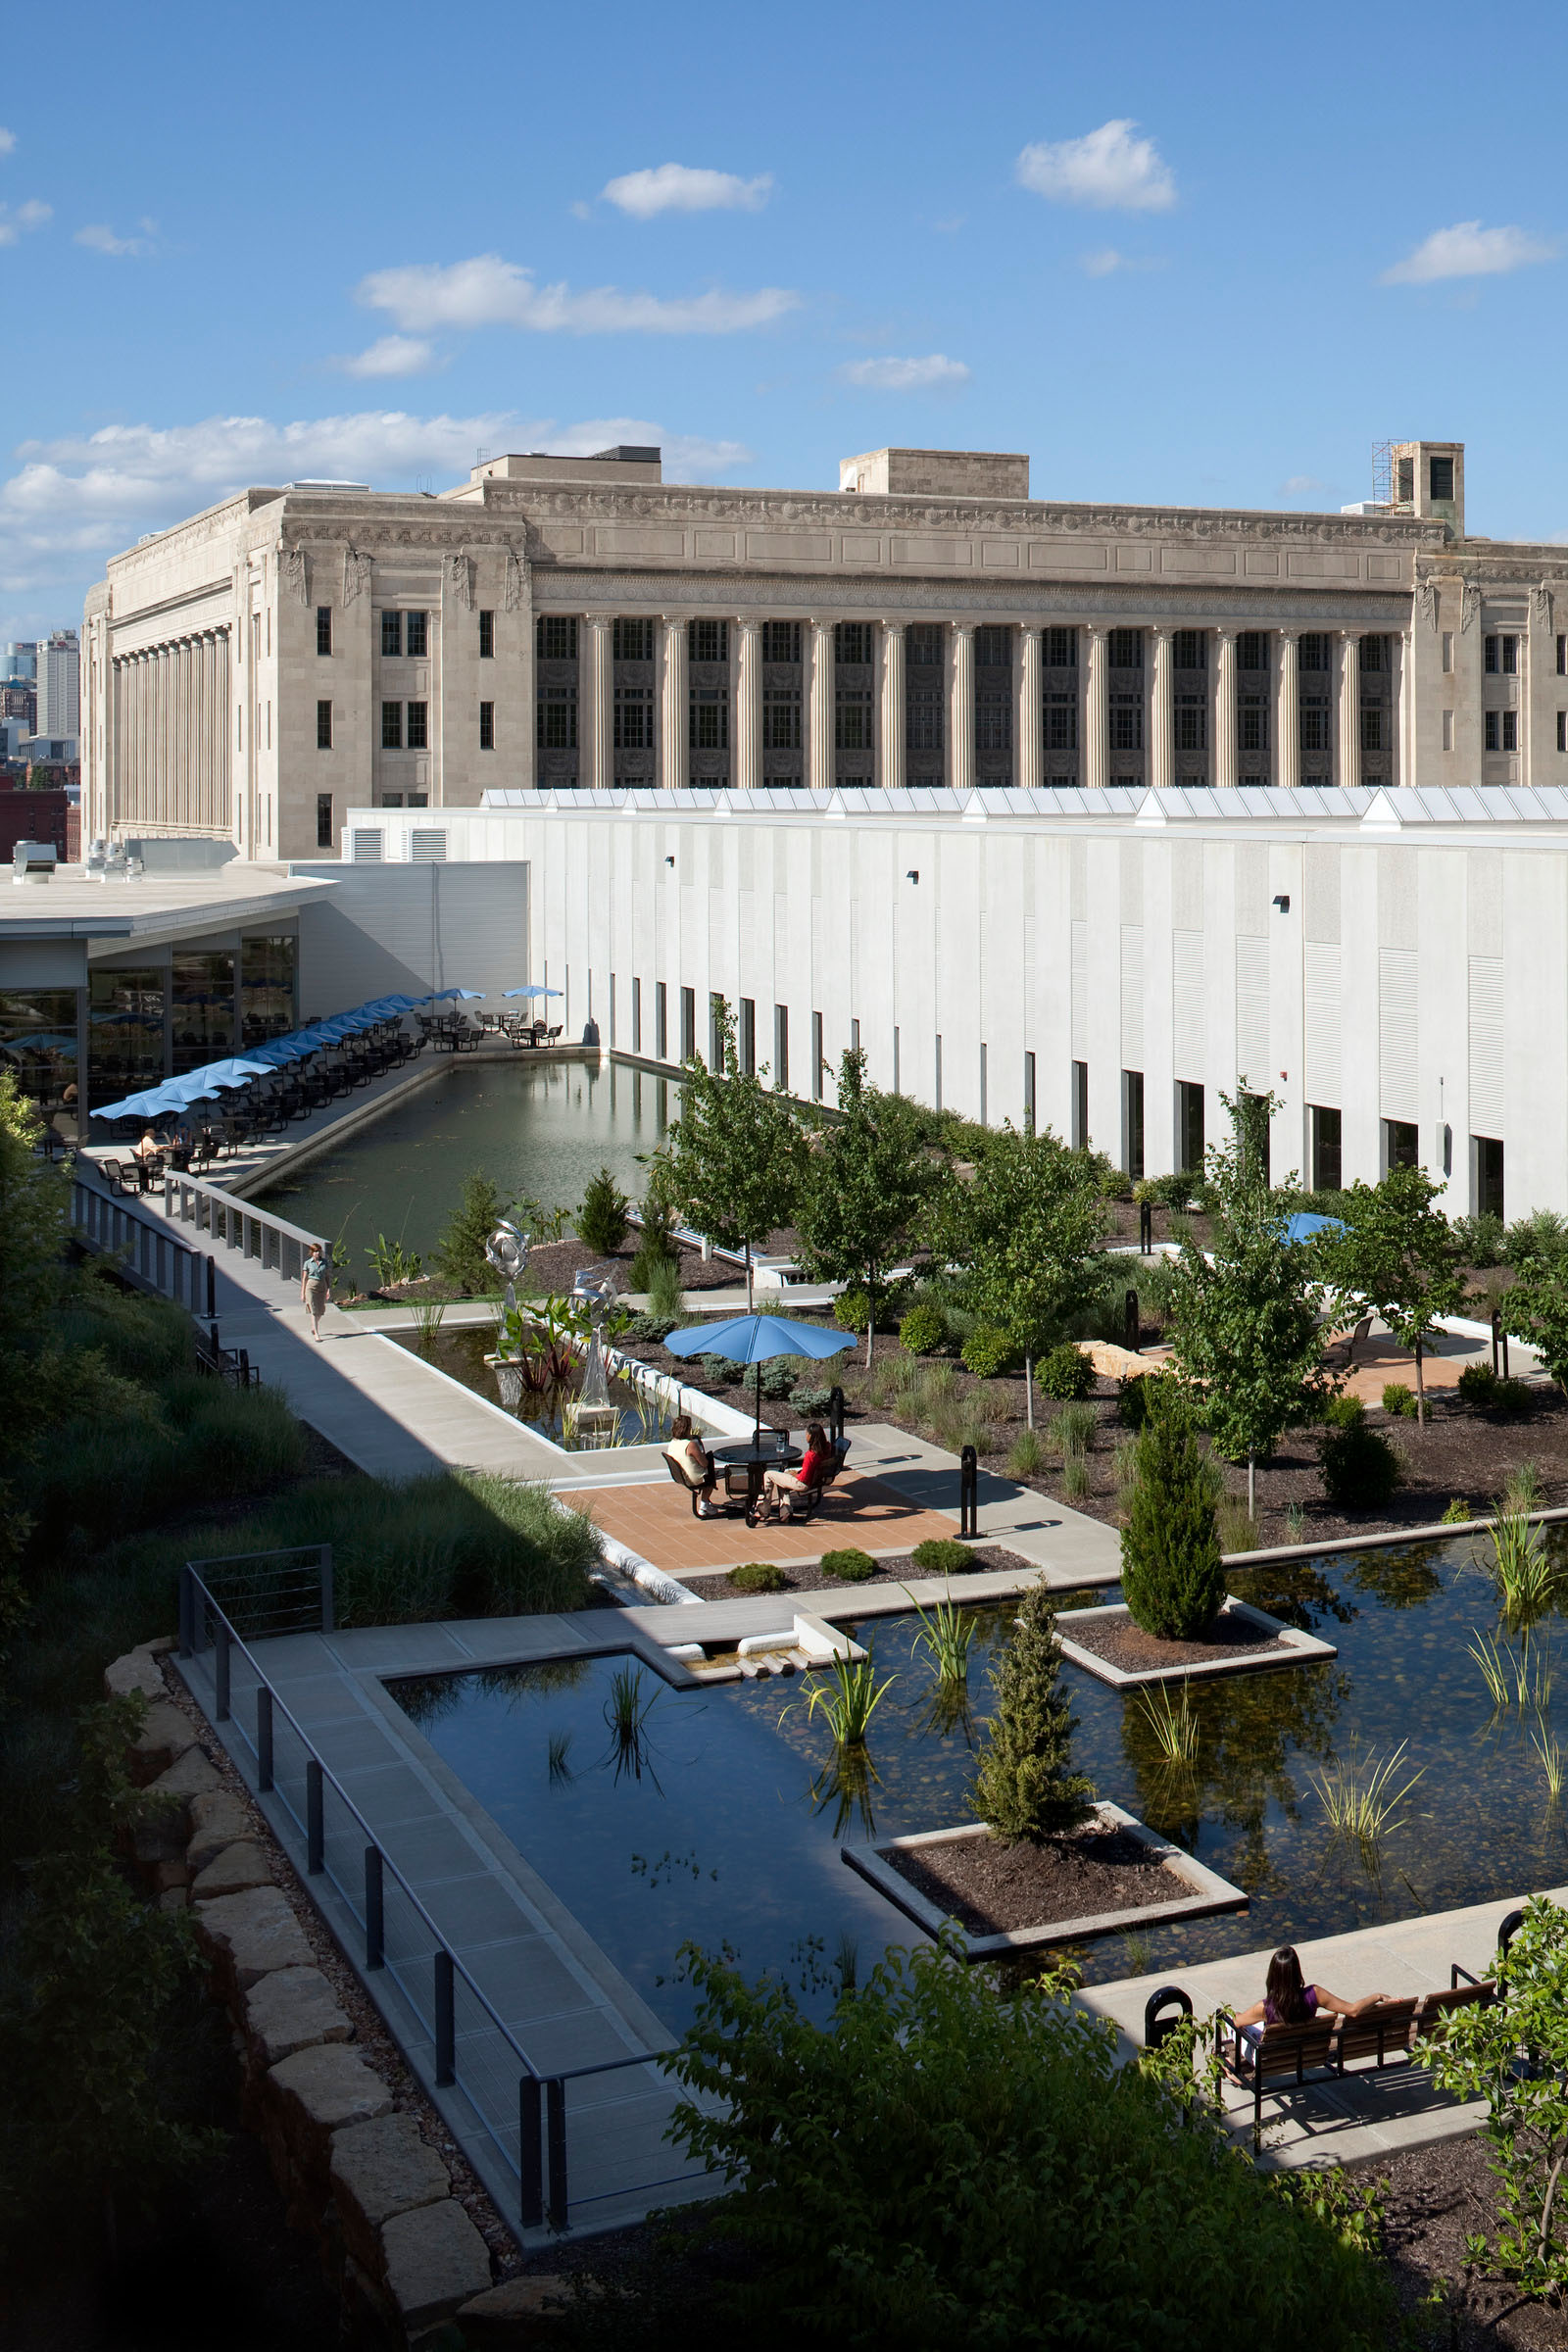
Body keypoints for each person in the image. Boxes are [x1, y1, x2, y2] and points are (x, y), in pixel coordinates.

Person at [1233, 1945, 1391, 2047]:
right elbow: (1353, 2010)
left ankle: (1229, 2063)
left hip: (1273, 2058)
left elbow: (1237, 2023)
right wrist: (1378, 1996)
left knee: (1227, 2020)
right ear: (1297, 1971)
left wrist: (1235, 2016)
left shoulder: (1264, 2007)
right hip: (1307, 2052)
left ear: (1273, 1975)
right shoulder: (1315, 1994)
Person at [760, 1421, 836, 1524]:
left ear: (811, 1436)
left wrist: (794, 1474)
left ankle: (764, 1510)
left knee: (768, 1474)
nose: (805, 1436)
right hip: (814, 1480)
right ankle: (785, 1512)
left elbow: (803, 1478)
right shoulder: (827, 1447)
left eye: (807, 1434)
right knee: (781, 1480)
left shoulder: (811, 1455)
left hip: (803, 1484)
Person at [664, 1414, 717, 1515]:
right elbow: (704, 1463)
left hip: (682, 1477)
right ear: (687, 1429)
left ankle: (705, 1504)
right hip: (694, 1479)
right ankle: (704, 1505)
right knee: (710, 1461)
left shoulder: (672, 1443)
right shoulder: (690, 1445)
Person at [300, 1243, 331, 1341]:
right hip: (311, 1287)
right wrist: (302, 1292)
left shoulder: (324, 1262)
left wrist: (328, 1289)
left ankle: (314, 1327)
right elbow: (304, 1278)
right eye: (315, 1251)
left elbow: (327, 1276)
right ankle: (316, 1334)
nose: (317, 1253)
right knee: (313, 1310)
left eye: (319, 1251)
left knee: (320, 1310)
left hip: (321, 1287)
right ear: (312, 1252)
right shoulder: (308, 1263)